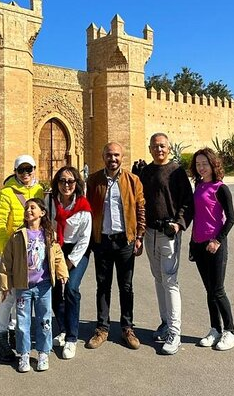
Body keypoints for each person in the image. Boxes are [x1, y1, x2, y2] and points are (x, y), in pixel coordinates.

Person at [85, 142, 146, 350]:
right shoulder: (93, 180)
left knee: (126, 287)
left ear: (123, 157)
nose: (113, 159)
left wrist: (139, 236)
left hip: (125, 240)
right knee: (103, 285)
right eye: (109, 155)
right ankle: (102, 328)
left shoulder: (133, 180)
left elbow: (140, 209)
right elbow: (86, 211)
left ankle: (127, 327)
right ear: (103, 157)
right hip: (102, 240)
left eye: (117, 155)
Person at [138, 133, 193, 355]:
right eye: (155, 146)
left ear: (168, 148)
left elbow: (187, 202)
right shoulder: (146, 172)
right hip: (150, 232)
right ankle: (164, 322)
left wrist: (179, 224)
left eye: (162, 146)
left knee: (170, 280)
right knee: (158, 278)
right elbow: (139, 202)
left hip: (168, 233)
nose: (158, 149)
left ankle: (174, 331)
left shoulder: (177, 171)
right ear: (149, 149)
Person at [0, 198, 69, 372]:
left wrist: (62, 272)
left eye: (32, 207)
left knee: (44, 320)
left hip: (43, 286)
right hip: (23, 286)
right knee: (22, 322)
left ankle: (43, 353)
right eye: (26, 208)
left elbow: (57, 254)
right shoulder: (17, 236)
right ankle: (23, 354)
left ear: (42, 212)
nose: (28, 210)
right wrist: (5, 285)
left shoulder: (48, 234)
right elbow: (6, 261)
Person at [0, 155, 44, 361]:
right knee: (9, 295)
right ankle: (0, 336)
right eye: (21, 170)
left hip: (30, 252)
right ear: (15, 172)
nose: (26, 174)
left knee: (24, 294)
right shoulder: (6, 193)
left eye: (29, 169)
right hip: (6, 252)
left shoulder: (39, 191)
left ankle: (15, 333)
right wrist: (12, 250)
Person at [188, 147, 234, 351]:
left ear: (212, 164)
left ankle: (231, 331)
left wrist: (217, 240)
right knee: (209, 290)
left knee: (218, 290)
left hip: (215, 245)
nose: (201, 168)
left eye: (205, 164)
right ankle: (215, 329)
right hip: (199, 244)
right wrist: (192, 243)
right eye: (198, 164)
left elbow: (231, 219)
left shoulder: (220, 188)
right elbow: (198, 217)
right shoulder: (199, 186)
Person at [45, 166, 92, 360]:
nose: (66, 185)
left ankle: (72, 338)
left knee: (71, 288)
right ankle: (63, 329)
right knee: (55, 289)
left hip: (77, 252)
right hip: (56, 248)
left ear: (77, 184)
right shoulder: (49, 201)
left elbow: (85, 238)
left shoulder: (83, 206)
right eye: (62, 181)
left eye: (70, 181)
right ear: (57, 183)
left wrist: (70, 262)